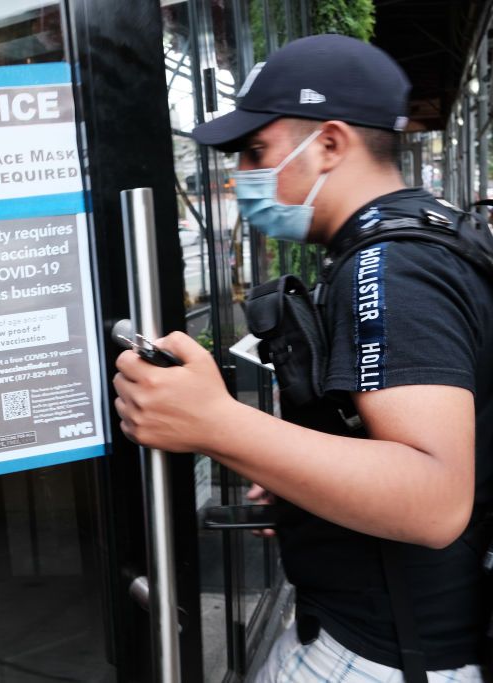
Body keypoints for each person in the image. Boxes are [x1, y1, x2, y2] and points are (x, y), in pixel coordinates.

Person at [113, 34, 493, 681]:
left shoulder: (391, 265)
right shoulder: (422, 232)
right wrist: (300, 481)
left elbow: (434, 498)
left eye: (258, 151)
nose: (244, 175)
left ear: (331, 144)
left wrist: (217, 424)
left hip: (383, 655)